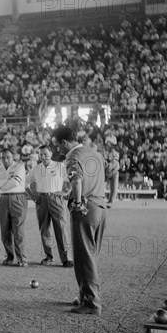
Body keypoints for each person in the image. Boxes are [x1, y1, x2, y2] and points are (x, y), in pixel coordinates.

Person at [51, 126, 114, 316]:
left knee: (83, 256)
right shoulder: (94, 153)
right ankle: (85, 295)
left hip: (86, 209)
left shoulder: (72, 157)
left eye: (57, 146)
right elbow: (112, 172)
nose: (57, 151)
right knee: (90, 254)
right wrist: (112, 198)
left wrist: (77, 202)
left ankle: (92, 303)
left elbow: (77, 180)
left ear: (64, 142)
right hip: (100, 207)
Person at [25, 145, 74, 267]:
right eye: (40, 154)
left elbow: (72, 181)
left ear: (51, 154)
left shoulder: (60, 166)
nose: (42, 156)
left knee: (61, 229)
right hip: (41, 200)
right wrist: (33, 196)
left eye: (45, 154)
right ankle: (48, 257)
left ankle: (66, 258)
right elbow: (25, 182)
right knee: (44, 229)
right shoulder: (36, 168)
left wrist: (66, 192)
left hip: (57, 199)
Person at [0, 148, 28, 267]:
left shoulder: (19, 167)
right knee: (5, 230)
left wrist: (1, 183)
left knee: (18, 230)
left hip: (17, 198)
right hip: (1, 199)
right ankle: (9, 256)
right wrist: (6, 181)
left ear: (13, 157)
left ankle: (21, 258)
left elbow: (14, 183)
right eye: (3, 157)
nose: (5, 159)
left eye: (8, 157)